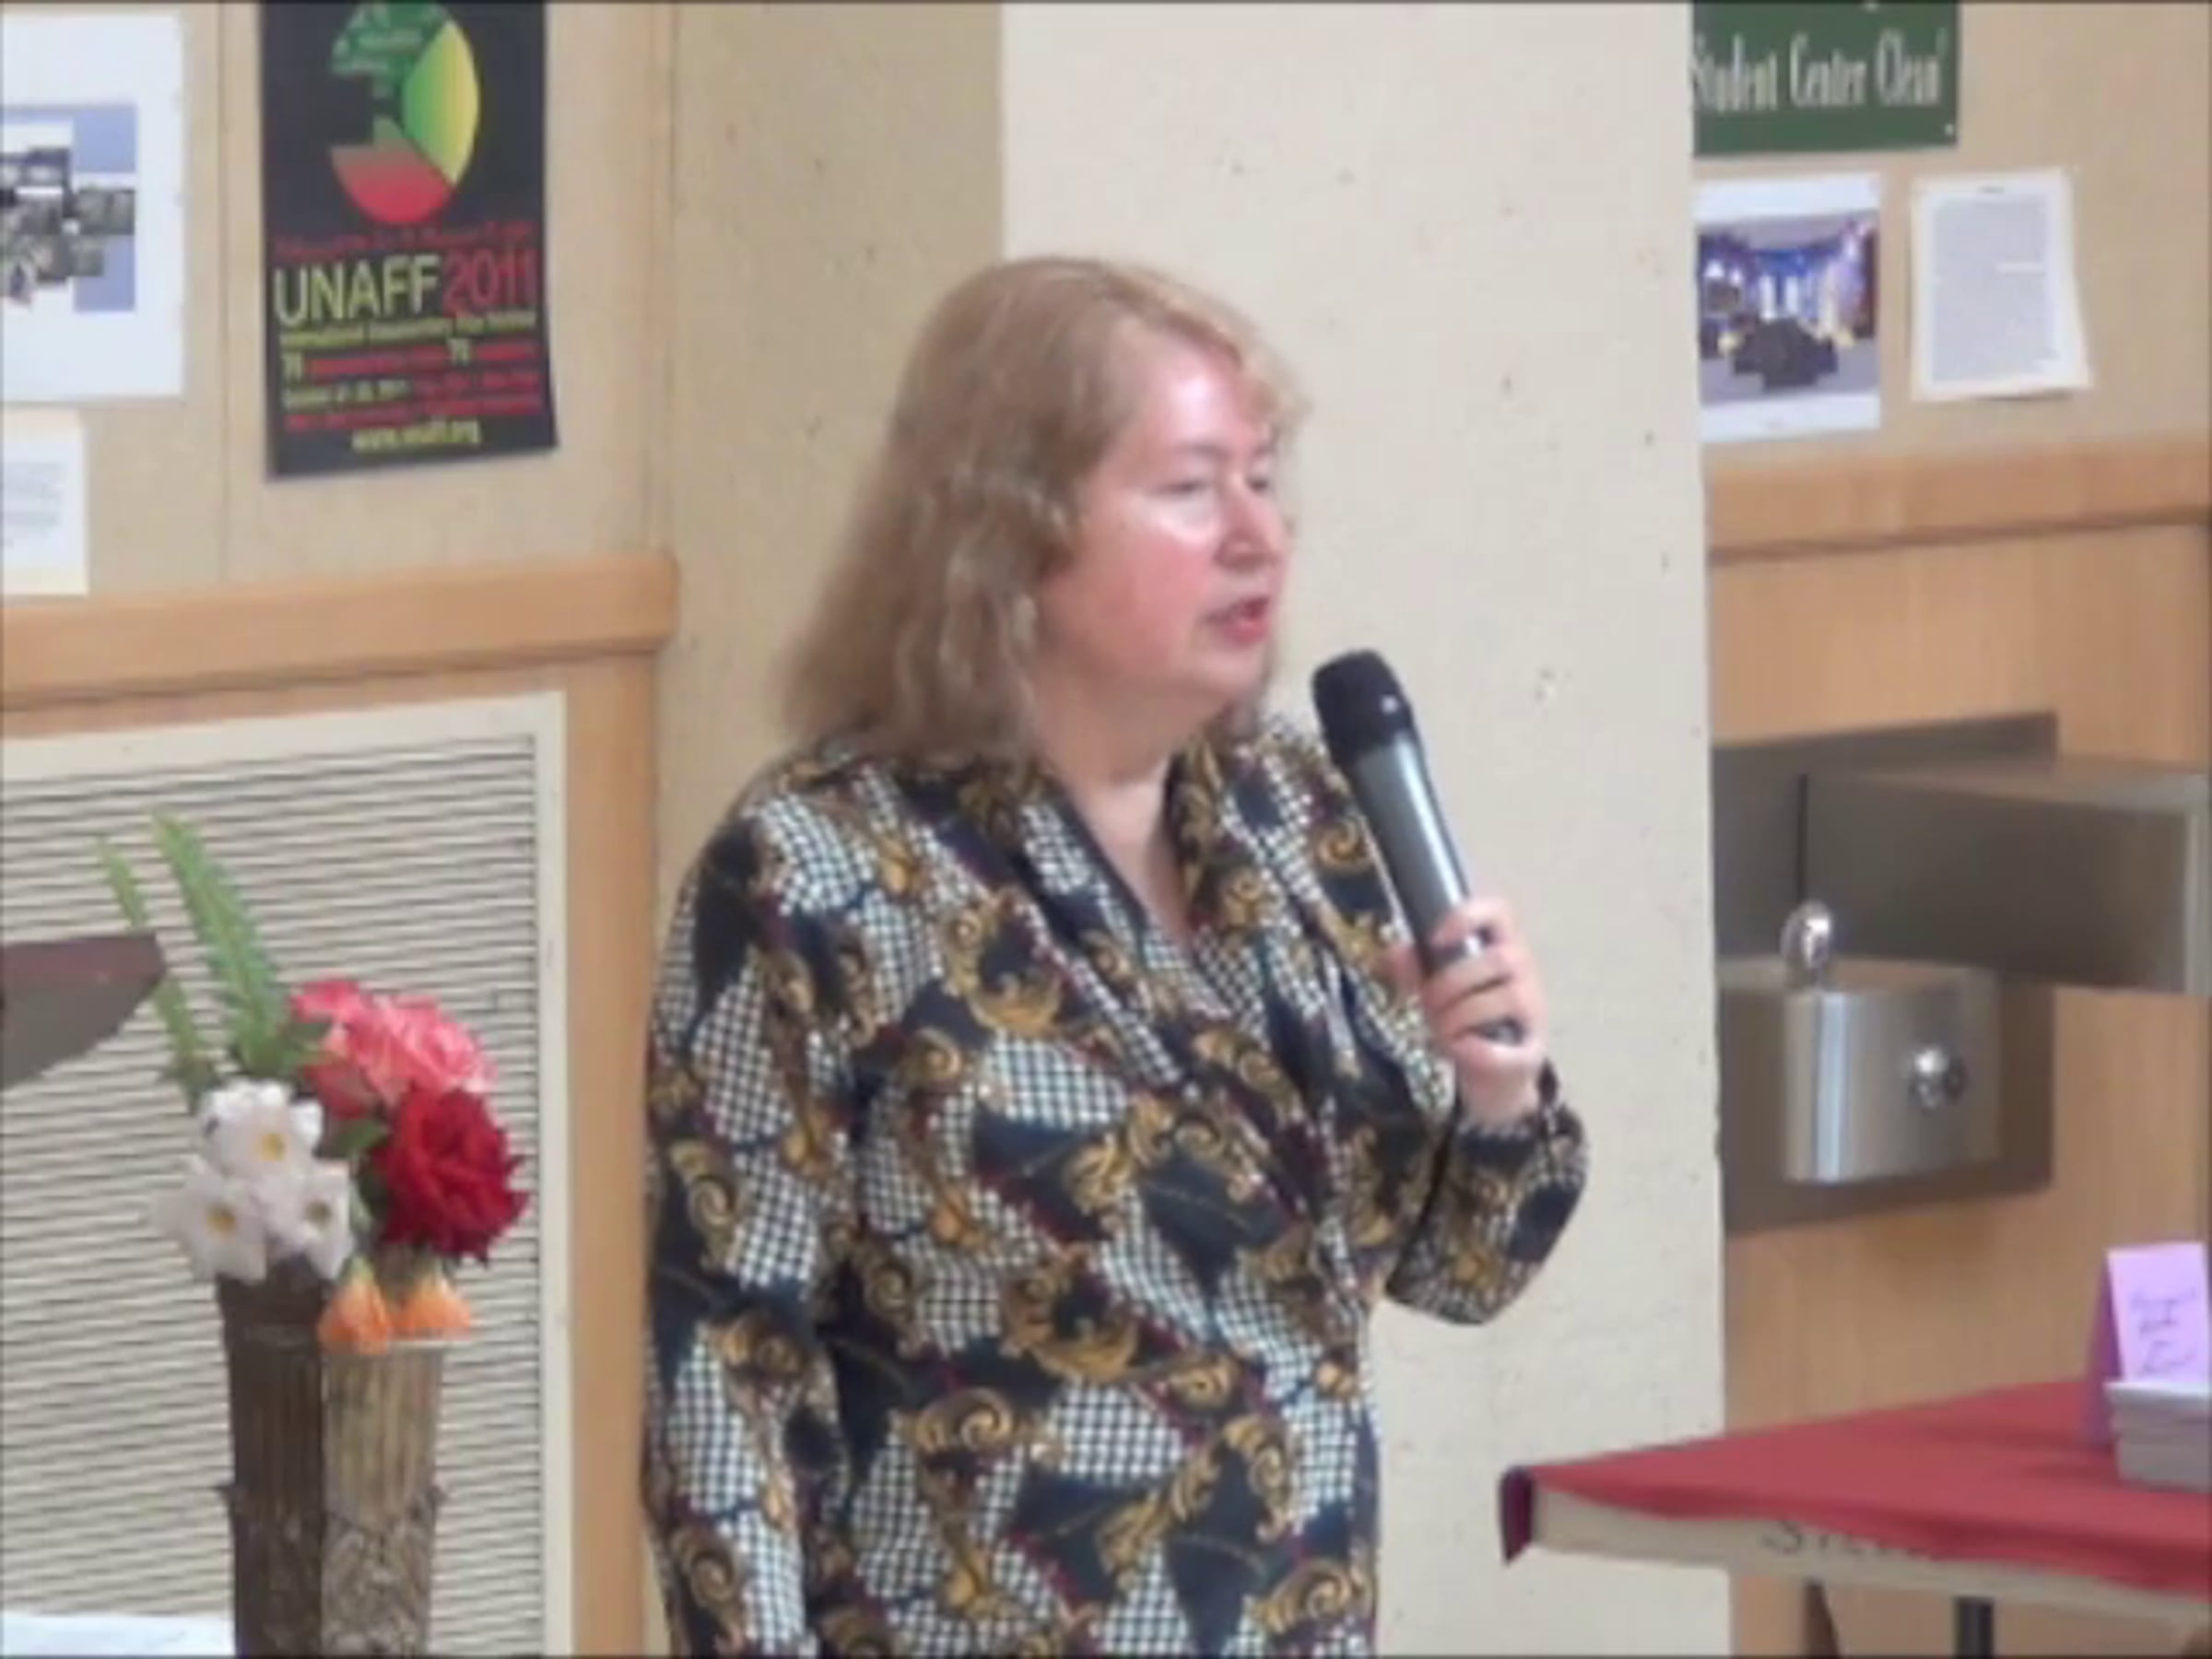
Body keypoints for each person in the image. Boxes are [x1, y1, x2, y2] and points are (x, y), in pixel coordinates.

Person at [642, 254, 1591, 1657]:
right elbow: (726, 1373)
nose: (1259, 535)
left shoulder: (1291, 813)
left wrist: (1500, 1097)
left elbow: (1456, 1270)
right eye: (1193, 489)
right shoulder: (815, 871)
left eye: (1263, 480)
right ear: (1009, 535)